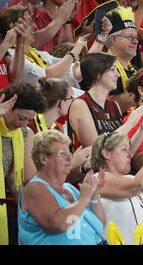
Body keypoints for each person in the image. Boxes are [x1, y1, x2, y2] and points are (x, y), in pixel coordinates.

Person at [90, 122, 143, 245]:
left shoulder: (131, 179)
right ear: (106, 154)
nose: (130, 154)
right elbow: (139, 184)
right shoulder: (99, 180)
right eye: (124, 149)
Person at [18, 130, 106, 245]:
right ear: (43, 159)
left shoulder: (70, 188)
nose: (69, 158)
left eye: (69, 153)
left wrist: (94, 196)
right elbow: (57, 224)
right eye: (61, 154)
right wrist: (84, 198)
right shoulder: (34, 189)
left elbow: (100, 225)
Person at [0, 83, 46, 245]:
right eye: (22, 118)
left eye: (29, 119)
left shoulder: (25, 133)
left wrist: (27, 216)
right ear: (6, 107)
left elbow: (20, 180)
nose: (24, 124)